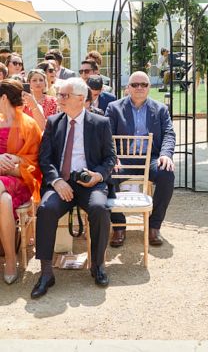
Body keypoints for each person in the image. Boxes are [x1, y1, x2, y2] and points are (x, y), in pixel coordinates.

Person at [32, 77, 116, 298]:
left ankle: (98, 265)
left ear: (81, 99)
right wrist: (57, 181)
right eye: (59, 94)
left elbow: (110, 158)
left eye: (64, 95)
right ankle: (46, 272)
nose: (58, 98)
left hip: (90, 183)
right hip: (61, 183)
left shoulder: (100, 123)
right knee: (46, 209)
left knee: (100, 209)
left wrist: (98, 175)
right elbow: (45, 159)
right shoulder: (53, 122)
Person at [105, 71, 176, 247]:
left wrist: (165, 155)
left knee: (167, 174)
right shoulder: (114, 108)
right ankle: (119, 225)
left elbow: (169, 133)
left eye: (143, 84)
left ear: (149, 87)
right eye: (135, 84)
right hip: (123, 159)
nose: (139, 88)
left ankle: (154, 226)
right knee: (105, 174)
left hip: (150, 158)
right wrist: (112, 157)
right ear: (127, 88)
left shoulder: (160, 109)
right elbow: (106, 135)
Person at [0, 79, 43, 284]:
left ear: (3, 98)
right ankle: (10, 258)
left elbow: (36, 160)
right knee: (4, 201)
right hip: (3, 186)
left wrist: (17, 162)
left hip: (20, 178)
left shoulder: (28, 124)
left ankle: (10, 258)